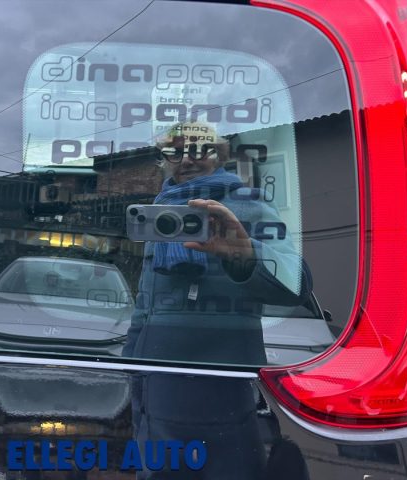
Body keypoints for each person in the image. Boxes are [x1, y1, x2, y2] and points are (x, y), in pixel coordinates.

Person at [123, 122, 312, 479]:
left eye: (198, 150)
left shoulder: (248, 204)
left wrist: (245, 253)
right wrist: (131, 368)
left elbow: (297, 284)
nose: (186, 160)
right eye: (176, 152)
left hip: (223, 391)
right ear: (164, 161)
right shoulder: (160, 212)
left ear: (219, 156)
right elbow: (145, 305)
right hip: (158, 392)